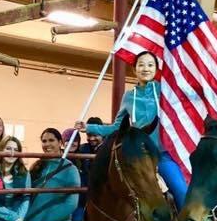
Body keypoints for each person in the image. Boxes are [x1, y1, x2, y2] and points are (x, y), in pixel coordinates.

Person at [76, 51, 186, 207]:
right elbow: (116, 127)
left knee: (181, 191)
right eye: (141, 65)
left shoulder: (164, 90)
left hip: (161, 154)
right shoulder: (129, 96)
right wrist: (88, 127)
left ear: (156, 69)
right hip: (138, 155)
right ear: (134, 70)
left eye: (150, 65)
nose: (145, 69)